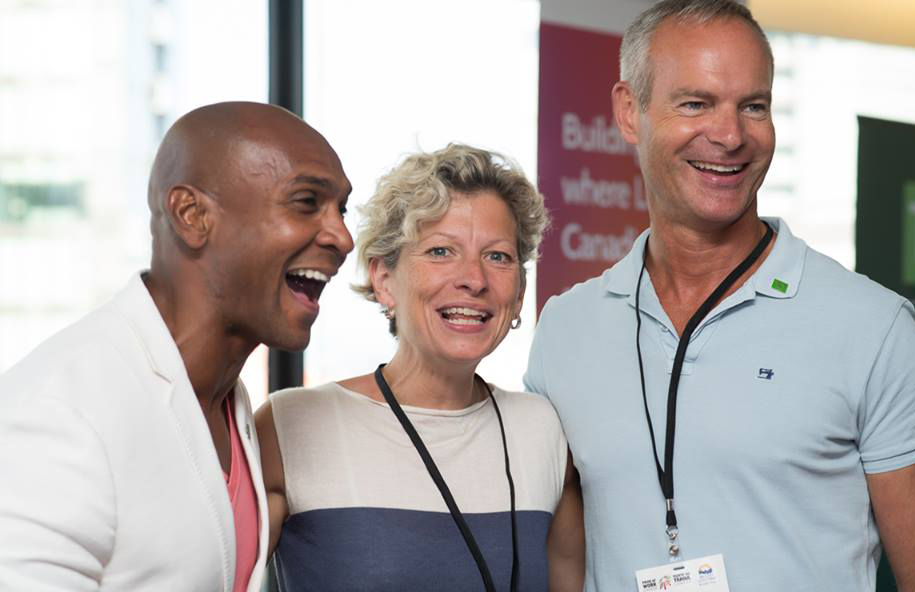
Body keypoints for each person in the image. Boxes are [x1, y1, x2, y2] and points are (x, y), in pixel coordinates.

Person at [525, 1, 915, 590]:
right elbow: (561, 555)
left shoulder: (873, 326)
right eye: (695, 104)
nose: (730, 136)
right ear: (630, 112)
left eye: (753, 106)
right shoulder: (565, 329)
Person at [0, 101, 354, 592]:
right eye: (306, 202)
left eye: (342, 208)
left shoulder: (227, 402)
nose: (343, 236)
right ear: (192, 215)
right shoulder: (59, 414)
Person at [256, 144, 584, 591]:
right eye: (441, 251)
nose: (474, 278)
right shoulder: (293, 426)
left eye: (498, 257)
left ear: (520, 293)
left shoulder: (541, 431)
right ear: (383, 279)